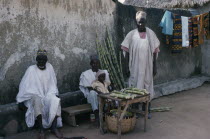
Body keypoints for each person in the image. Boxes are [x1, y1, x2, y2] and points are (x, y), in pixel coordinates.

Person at [121, 11, 160, 118]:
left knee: (147, 86)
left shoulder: (151, 34)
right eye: (139, 22)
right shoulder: (131, 34)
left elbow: (155, 51)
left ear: (146, 21)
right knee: (135, 87)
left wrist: (155, 66)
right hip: (135, 66)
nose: (141, 24)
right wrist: (126, 66)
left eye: (143, 22)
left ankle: (147, 110)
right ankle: (135, 111)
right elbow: (126, 50)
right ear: (136, 22)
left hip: (148, 66)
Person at [16, 49, 63, 139]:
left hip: (48, 94)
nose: (41, 62)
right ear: (36, 60)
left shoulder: (50, 67)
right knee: (37, 101)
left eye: (43, 60)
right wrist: (20, 100)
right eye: (39, 59)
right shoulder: (31, 69)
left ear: (46, 60)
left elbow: (53, 82)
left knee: (56, 100)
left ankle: (54, 127)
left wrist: (55, 93)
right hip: (35, 94)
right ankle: (41, 129)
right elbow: (24, 85)